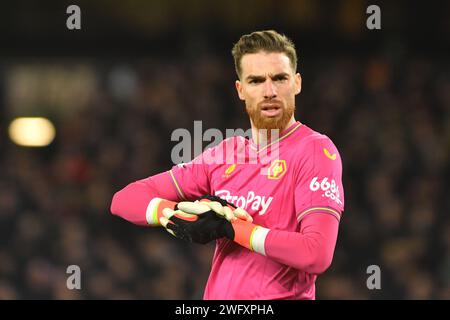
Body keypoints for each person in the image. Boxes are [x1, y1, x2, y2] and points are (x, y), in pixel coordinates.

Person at [110, 30, 344, 300]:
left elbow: (316, 254)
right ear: (240, 90)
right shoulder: (226, 153)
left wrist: (231, 228)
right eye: (256, 81)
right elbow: (123, 199)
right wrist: (179, 213)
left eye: (279, 78)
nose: (269, 91)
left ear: (297, 83)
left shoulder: (314, 149)